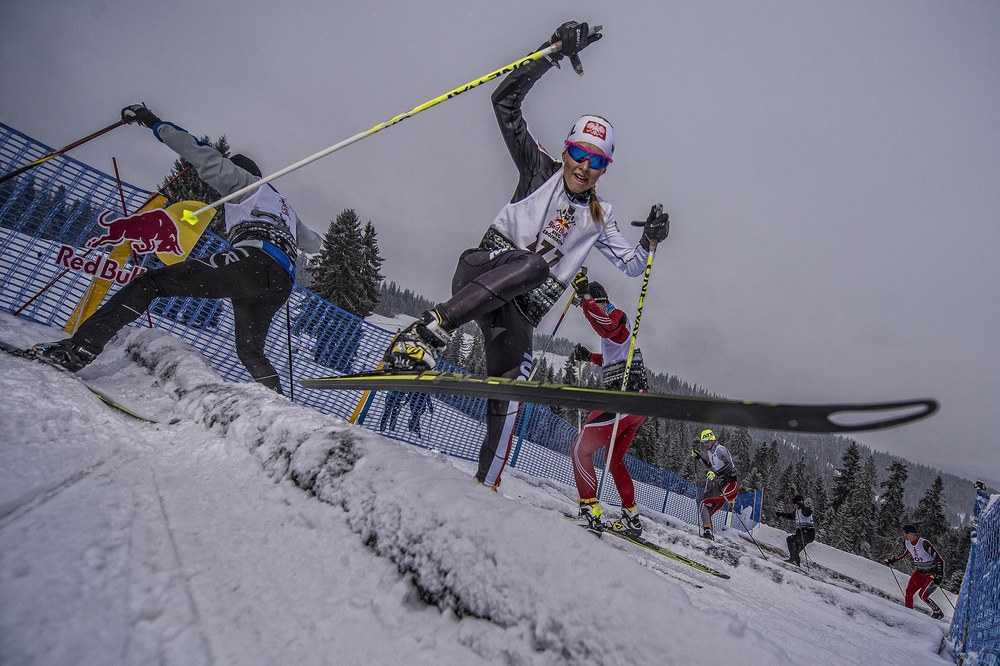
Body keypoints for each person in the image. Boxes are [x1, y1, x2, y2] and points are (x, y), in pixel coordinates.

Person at [382, 20, 671, 491]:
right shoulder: (539, 169)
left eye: (595, 160)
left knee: (511, 390)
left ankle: (486, 486)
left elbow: (634, 265)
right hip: (480, 273)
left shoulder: (601, 218)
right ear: (566, 150)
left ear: (604, 168)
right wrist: (552, 52)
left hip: (515, 313)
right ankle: (427, 331)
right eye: (578, 153)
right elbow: (504, 103)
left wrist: (651, 240)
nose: (583, 165)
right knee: (535, 265)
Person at [33, 104, 319, 394]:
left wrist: (153, 122)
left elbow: (199, 153)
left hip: (254, 261)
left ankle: (78, 350)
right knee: (250, 350)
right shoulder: (285, 207)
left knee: (151, 282)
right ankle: (279, 405)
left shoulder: (244, 183)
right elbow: (312, 243)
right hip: (280, 281)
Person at [567, 278, 648, 535]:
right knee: (613, 460)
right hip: (637, 403)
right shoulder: (614, 323)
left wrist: (586, 303)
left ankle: (589, 510)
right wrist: (589, 356)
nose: (586, 309)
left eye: (589, 303)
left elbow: (608, 328)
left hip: (625, 399)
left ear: (599, 300)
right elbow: (612, 357)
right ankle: (630, 515)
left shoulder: (616, 316)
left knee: (580, 449)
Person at [884, 524, 946, 620]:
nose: (904, 535)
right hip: (920, 572)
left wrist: (939, 575)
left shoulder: (924, 543)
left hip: (932, 574)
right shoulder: (907, 543)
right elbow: (903, 553)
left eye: (906, 533)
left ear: (911, 534)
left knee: (923, 595)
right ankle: (908, 613)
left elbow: (939, 559)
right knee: (909, 592)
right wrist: (892, 560)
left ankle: (938, 612)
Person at [692, 429, 739, 540]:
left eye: (707, 441)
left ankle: (708, 531)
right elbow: (709, 466)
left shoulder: (720, 450)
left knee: (704, 502)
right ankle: (708, 532)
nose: (705, 444)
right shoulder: (711, 452)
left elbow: (728, 465)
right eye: (704, 442)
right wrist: (699, 458)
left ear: (712, 439)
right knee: (700, 501)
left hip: (730, 485)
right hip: (720, 486)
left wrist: (715, 472)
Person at [775, 494, 816, 566]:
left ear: (799, 502)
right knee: (796, 549)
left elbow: (807, 513)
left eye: (795, 503)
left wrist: (801, 506)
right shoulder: (797, 511)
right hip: (803, 533)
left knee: (790, 540)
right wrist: (781, 514)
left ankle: (793, 560)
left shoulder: (805, 509)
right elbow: (791, 516)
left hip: (807, 533)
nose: (794, 505)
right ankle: (796, 564)